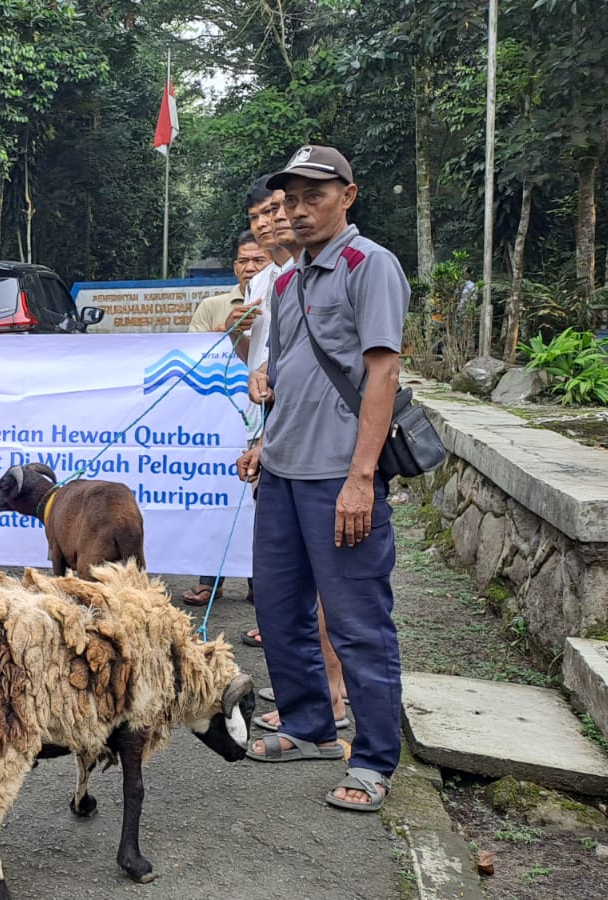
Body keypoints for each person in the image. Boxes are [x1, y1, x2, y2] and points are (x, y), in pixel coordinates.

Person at [241, 145, 407, 815]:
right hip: (281, 476)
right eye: (291, 199)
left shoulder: (370, 266)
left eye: (315, 196)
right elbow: (286, 376)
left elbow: (383, 373)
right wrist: (262, 438)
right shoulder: (285, 283)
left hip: (340, 477)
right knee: (279, 612)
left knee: (358, 623)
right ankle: (309, 724)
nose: (299, 210)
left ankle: (373, 760)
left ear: (348, 196)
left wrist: (362, 477)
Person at [235, 178, 350, 734]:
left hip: (322, 450)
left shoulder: (345, 270)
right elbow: (265, 363)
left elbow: (374, 369)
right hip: (275, 438)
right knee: (289, 584)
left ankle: (332, 691)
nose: (272, 221)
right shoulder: (270, 280)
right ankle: (304, 693)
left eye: (278, 209)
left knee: (328, 581)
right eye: (260, 214)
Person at [179, 230, 268, 607]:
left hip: (263, 418)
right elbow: (191, 356)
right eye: (243, 260)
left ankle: (258, 582)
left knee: (260, 503)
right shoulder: (213, 306)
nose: (250, 267)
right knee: (216, 497)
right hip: (217, 421)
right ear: (234, 266)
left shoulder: (284, 298)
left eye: (259, 260)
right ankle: (209, 579)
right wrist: (225, 330)